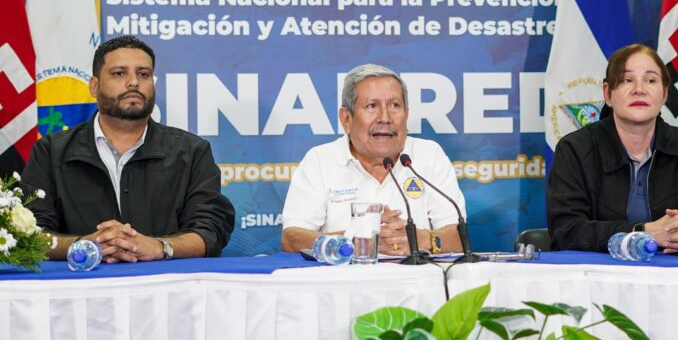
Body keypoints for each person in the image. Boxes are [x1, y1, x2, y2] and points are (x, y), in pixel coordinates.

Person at [22, 35, 235, 262]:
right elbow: (30, 233)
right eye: (119, 73)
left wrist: (161, 247)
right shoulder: (50, 152)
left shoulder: (192, 152)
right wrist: (85, 246)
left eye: (143, 74)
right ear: (94, 86)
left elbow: (210, 231)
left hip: (165, 281)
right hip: (81, 280)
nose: (134, 82)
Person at [281, 64, 465, 256]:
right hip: (345, 275)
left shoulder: (429, 154)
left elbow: (459, 237)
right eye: (372, 106)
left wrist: (424, 239)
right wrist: (356, 241)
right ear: (346, 119)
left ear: (407, 115)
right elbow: (291, 239)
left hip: (417, 275)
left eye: (395, 106)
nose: (385, 118)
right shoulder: (320, 160)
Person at [547, 44, 678, 253]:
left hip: (674, 269)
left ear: (664, 94)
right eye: (627, 80)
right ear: (607, 94)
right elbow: (566, 231)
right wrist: (643, 232)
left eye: (650, 80)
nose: (639, 89)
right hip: (598, 272)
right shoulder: (575, 149)